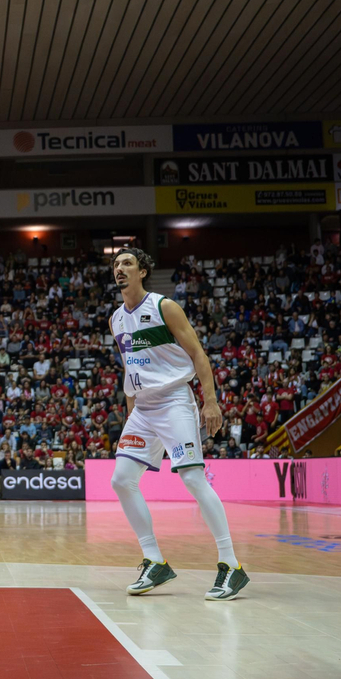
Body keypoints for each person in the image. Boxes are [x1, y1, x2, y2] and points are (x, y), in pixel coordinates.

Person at [109, 248, 248, 601]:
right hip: (142, 409)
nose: (120, 269)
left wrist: (210, 401)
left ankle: (231, 565)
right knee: (122, 479)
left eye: (127, 263)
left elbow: (198, 353)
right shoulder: (116, 319)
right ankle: (155, 561)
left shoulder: (164, 307)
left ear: (142, 271)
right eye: (116, 264)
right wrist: (130, 414)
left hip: (173, 401)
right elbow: (130, 367)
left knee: (192, 478)